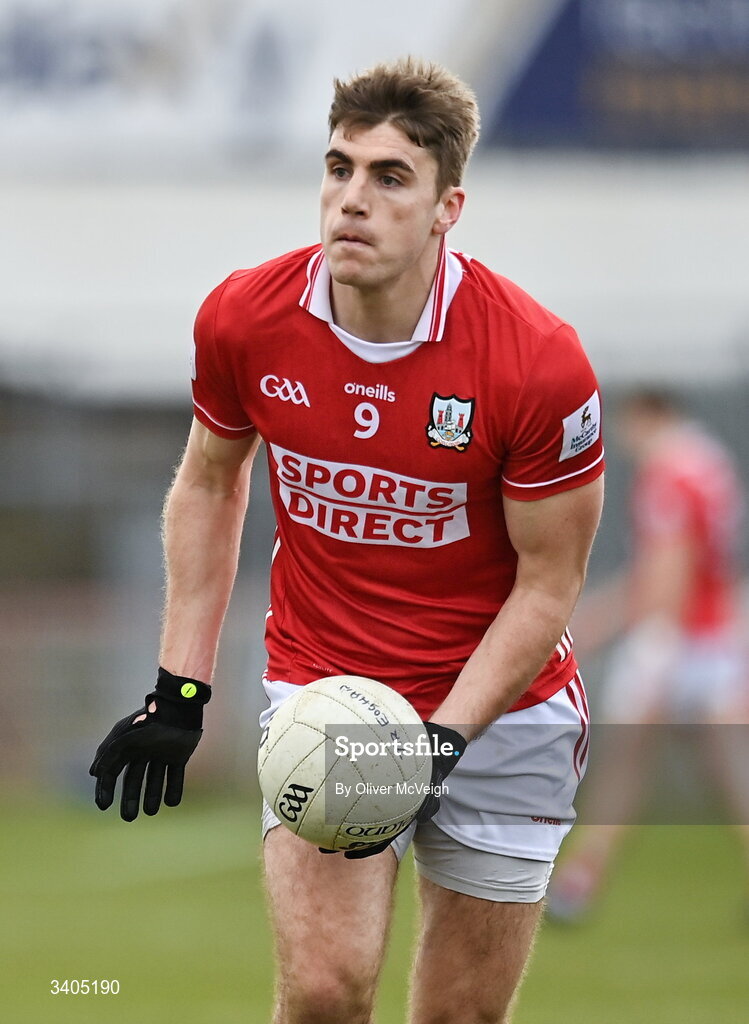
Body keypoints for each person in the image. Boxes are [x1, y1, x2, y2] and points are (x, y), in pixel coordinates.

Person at [90, 58, 604, 1023]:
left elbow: (549, 583)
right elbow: (209, 482)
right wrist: (179, 688)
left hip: (500, 714)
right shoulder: (248, 316)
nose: (351, 200)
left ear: (449, 206)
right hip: (331, 699)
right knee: (325, 993)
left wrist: (443, 740)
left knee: (459, 1017)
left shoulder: (536, 362)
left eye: (389, 177)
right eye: (338, 168)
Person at [546, 388, 748, 923]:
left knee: (623, 764)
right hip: (717, 639)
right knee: (727, 767)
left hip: (674, 638)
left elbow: (668, 570)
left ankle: (578, 881)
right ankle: (581, 878)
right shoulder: (711, 465)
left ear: (649, 416)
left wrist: (605, 622)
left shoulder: (670, 474)